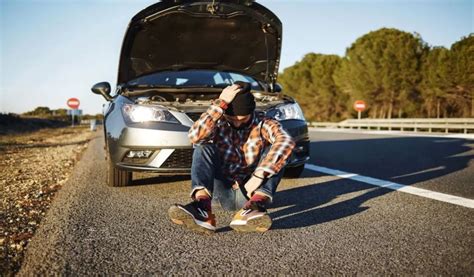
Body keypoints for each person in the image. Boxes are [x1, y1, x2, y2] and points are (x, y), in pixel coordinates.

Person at [168, 81, 295, 233]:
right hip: (220, 193)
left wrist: (259, 176)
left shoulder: (263, 122)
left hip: (250, 191)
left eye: (243, 119)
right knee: (202, 146)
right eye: (233, 119)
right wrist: (220, 104)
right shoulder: (219, 121)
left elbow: (286, 140)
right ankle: (202, 210)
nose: (237, 123)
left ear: (252, 113)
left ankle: (253, 208)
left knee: (278, 150)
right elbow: (194, 136)